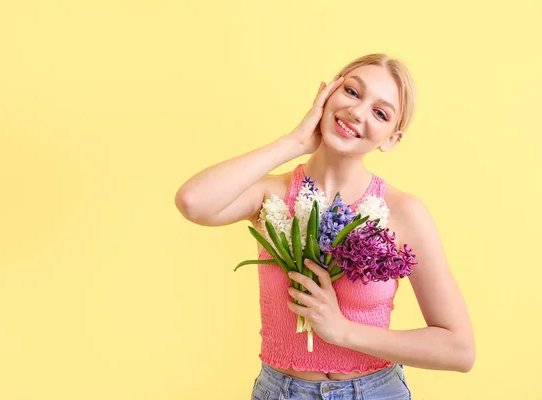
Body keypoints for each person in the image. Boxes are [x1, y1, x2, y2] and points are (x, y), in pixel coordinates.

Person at [174, 53, 475, 399]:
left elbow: (459, 349)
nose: (358, 112)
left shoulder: (403, 212)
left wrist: (343, 331)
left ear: (391, 138)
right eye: (351, 92)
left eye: (380, 113)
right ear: (328, 92)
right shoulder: (270, 196)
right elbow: (192, 201)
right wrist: (293, 143)